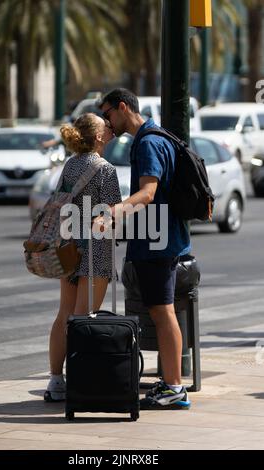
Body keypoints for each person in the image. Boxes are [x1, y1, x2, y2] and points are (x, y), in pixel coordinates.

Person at [97, 88, 192, 410]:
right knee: (160, 310)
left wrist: (113, 213)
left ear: (123, 107)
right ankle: (172, 384)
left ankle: (175, 387)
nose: (106, 122)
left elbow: (148, 193)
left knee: (163, 312)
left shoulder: (149, 142)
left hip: (157, 243)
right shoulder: (153, 136)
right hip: (159, 239)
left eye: (108, 114)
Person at [44, 113, 122, 402]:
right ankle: (80, 380)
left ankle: (55, 380)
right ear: (98, 137)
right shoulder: (105, 169)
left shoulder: (70, 165)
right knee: (83, 317)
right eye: (106, 128)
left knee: (64, 314)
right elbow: (114, 212)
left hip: (68, 246)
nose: (111, 131)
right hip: (96, 249)